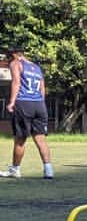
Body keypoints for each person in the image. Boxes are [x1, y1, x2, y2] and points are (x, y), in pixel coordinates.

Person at [1, 46, 54, 180]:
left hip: (24, 103)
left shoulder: (16, 63)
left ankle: (15, 169)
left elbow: (16, 83)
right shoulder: (36, 67)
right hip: (39, 104)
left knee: (20, 139)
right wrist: (40, 103)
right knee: (41, 139)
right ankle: (48, 170)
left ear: (14, 54)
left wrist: (12, 102)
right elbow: (42, 89)